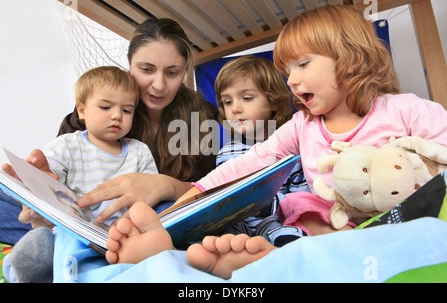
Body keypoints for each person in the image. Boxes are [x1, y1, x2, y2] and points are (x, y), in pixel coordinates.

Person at [102, 5, 447, 279]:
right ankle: (271, 262)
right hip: (334, 224)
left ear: (350, 57)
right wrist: (191, 197)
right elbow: (249, 163)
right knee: (302, 211)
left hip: (400, 212)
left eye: (303, 64)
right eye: (288, 72)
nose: (293, 80)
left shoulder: (404, 109)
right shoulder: (303, 125)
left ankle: (278, 261)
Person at [2, 18, 218, 232]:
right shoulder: (96, 112)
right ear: (130, 65)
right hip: (84, 219)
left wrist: (165, 186)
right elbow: (59, 181)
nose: (159, 85)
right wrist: (41, 194)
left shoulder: (203, 116)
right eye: (146, 69)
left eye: (172, 73)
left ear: (184, 71)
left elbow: (212, 193)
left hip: (152, 217)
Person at [6, 66, 159, 282]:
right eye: (105, 107)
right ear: (82, 110)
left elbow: (152, 194)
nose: (117, 115)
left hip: (125, 234)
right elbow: (49, 173)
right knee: (54, 239)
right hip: (78, 230)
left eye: (127, 110)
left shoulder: (139, 150)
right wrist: (35, 179)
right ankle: (42, 264)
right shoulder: (69, 144)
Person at [212, 55, 309, 245]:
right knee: (217, 235)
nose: (235, 109)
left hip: (276, 221)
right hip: (236, 225)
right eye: (227, 102)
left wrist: (267, 206)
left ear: (273, 101)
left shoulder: (292, 148)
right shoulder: (225, 153)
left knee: (287, 234)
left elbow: (303, 199)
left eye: (247, 98)